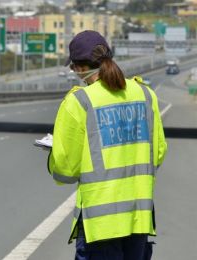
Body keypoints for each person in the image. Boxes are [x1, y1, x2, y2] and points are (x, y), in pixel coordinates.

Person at [47, 30, 167, 260]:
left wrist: (53, 153)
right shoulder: (145, 94)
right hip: (138, 217)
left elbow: (65, 170)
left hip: (101, 225)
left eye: (73, 68)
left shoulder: (79, 102)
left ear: (81, 68)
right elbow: (158, 153)